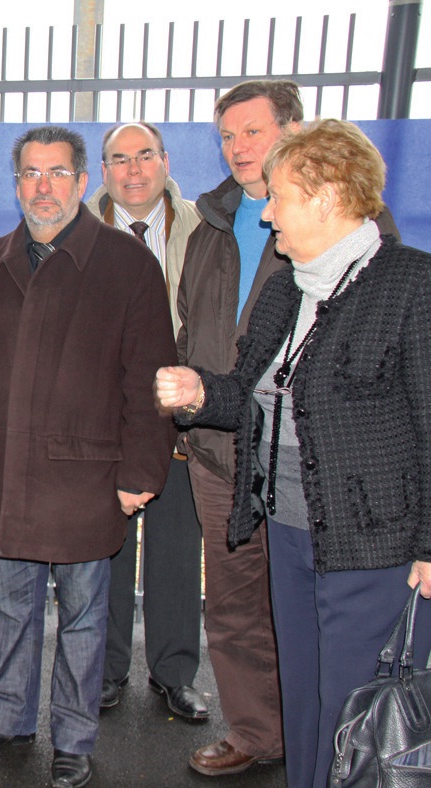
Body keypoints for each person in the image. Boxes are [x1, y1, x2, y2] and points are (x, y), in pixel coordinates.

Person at [156, 118, 431, 788]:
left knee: (354, 709)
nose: (268, 213)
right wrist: (199, 393)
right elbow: (246, 393)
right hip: (285, 529)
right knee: (303, 695)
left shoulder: (410, 284)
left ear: (327, 196)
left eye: (278, 196)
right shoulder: (287, 287)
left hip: (376, 545)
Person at [0, 126, 176, 788]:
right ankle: (7, 722)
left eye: (56, 173)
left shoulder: (127, 264)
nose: (42, 187)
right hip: (8, 469)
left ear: (82, 181)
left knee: (83, 619)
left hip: (89, 476)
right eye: (30, 174)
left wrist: (140, 471)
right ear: (16, 183)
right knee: (9, 608)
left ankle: (73, 739)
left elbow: (148, 377)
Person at [84, 122, 207, 720]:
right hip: (104, 420)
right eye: (119, 159)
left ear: (165, 162)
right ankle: (104, 672)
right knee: (106, 549)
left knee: (178, 550)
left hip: (181, 416)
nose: (133, 170)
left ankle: (174, 673)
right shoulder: (75, 230)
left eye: (144, 156)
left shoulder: (203, 230)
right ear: (103, 170)